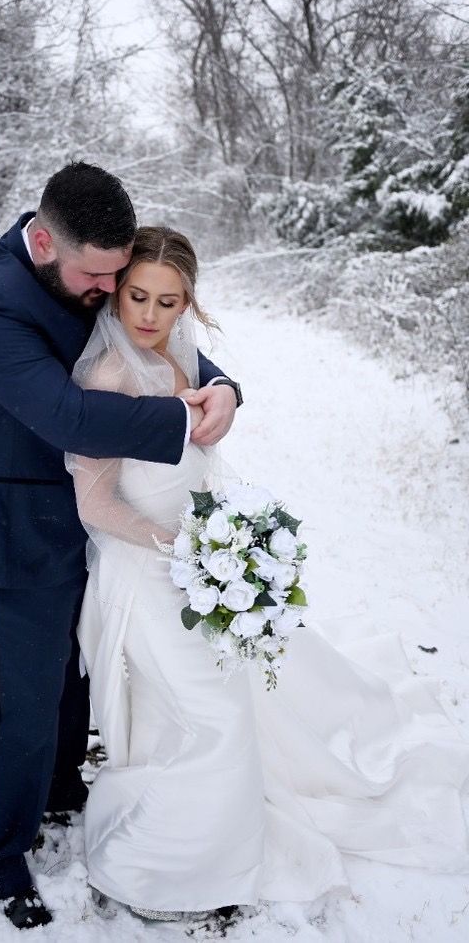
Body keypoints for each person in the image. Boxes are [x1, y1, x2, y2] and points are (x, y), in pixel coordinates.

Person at [67, 225, 469, 922]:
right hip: (144, 567)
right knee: (215, 713)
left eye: (169, 301)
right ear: (118, 288)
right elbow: (93, 500)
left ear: (188, 303)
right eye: (137, 296)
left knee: (228, 698)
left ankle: (201, 839)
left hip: (195, 562)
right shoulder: (108, 375)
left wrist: (229, 545)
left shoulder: (187, 364)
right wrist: (178, 546)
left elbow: (196, 463)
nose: (150, 315)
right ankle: (159, 865)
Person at [0, 163, 243, 929]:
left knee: (72, 683)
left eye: (119, 276)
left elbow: (152, 328)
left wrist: (227, 387)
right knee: (26, 702)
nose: (110, 293)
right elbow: (72, 415)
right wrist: (184, 415)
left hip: (88, 527)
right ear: (43, 241)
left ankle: (61, 790)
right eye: (99, 276)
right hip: (11, 534)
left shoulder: (81, 274)